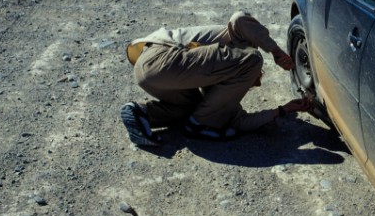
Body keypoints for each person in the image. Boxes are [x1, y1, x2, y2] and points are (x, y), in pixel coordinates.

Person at [120, 11, 312, 146]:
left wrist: (283, 110)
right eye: (258, 77)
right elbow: (239, 18)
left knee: (193, 110)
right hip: (162, 57)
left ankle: (141, 113)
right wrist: (276, 52)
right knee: (253, 59)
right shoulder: (239, 44)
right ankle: (199, 126)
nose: (258, 82)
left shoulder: (217, 79)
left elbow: (240, 121)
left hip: (152, 73)